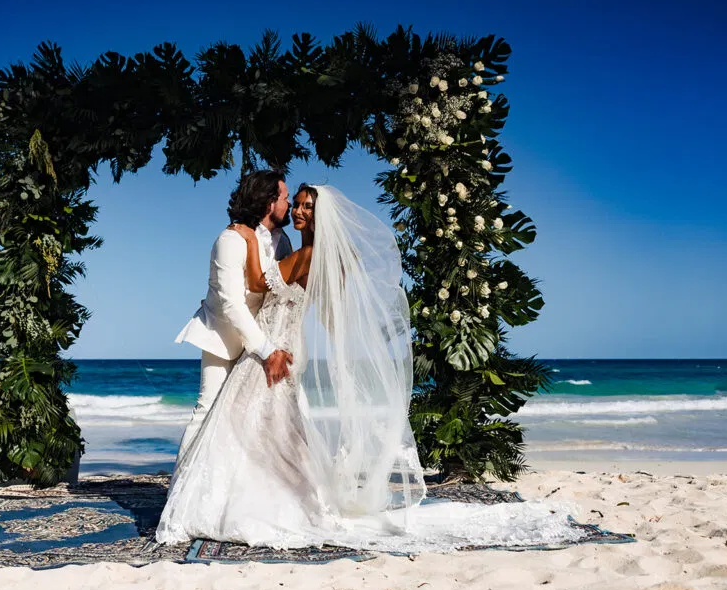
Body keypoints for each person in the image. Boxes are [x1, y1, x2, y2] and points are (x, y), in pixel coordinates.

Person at [157, 184, 585, 553]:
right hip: (279, 344)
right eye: (295, 202)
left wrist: (246, 235)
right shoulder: (309, 254)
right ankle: (280, 493)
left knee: (248, 425)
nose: (298, 210)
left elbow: (255, 283)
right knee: (269, 427)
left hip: (276, 348)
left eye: (306, 205)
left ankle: (248, 499)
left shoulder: (305, 256)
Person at [173, 170, 294, 462]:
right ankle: (180, 490)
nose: (288, 204)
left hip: (264, 335)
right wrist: (266, 351)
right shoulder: (229, 239)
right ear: (269, 203)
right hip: (223, 338)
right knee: (207, 410)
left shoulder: (283, 241)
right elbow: (231, 304)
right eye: (285, 198)